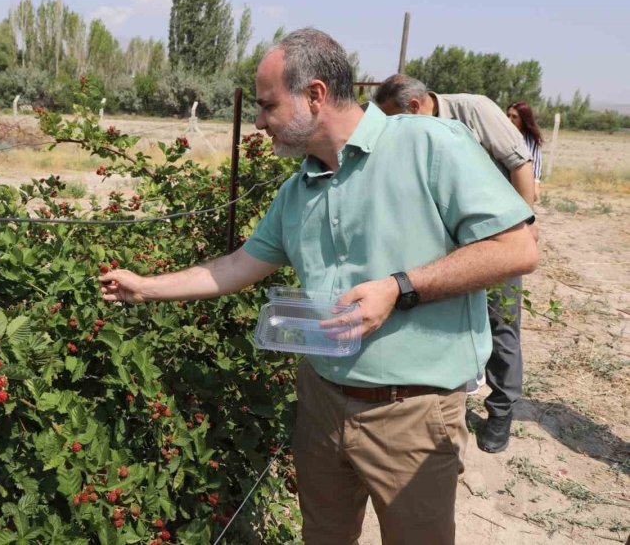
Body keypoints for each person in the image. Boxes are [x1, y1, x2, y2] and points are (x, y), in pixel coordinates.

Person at [100, 28, 537, 544]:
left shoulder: (430, 146)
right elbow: (239, 265)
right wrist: (145, 287)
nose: (258, 122)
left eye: (267, 106)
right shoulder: (296, 191)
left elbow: (518, 249)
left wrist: (400, 287)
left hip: (414, 413)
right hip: (323, 403)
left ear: (315, 95)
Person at [374, 75, 535, 454]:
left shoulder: (473, 110)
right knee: (442, 320)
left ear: (414, 107)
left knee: (502, 324)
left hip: (492, 236)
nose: (389, 127)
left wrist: (523, 226)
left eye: (393, 116)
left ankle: (500, 410)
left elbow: (520, 164)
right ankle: (447, 406)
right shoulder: (411, 132)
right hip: (441, 237)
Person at [507, 101, 544, 200]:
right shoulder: (503, 136)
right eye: (508, 115)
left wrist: (536, 184)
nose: (509, 119)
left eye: (514, 117)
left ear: (523, 119)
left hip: (523, 180)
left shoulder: (531, 139)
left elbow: (536, 161)